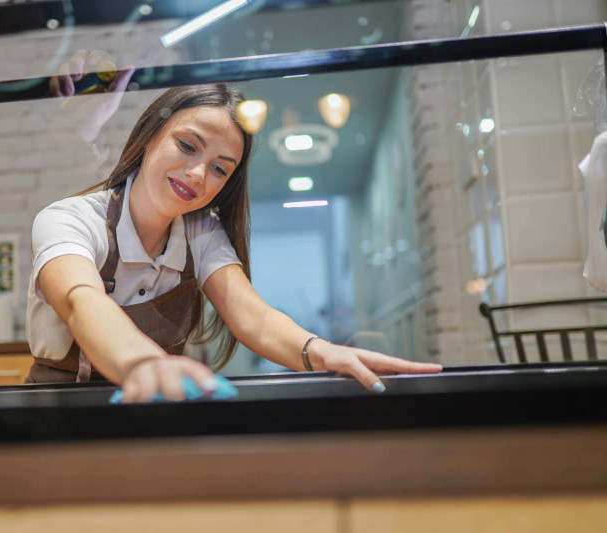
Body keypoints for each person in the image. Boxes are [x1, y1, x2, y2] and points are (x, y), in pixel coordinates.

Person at [26, 83, 442, 402]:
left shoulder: (201, 231)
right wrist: (144, 364)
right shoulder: (69, 219)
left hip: (155, 408)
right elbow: (83, 302)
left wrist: (322, 352)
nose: (197, 174)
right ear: (150, 136)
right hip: (60, 411)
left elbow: (254, 319)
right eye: (187, 146)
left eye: (219, 169)